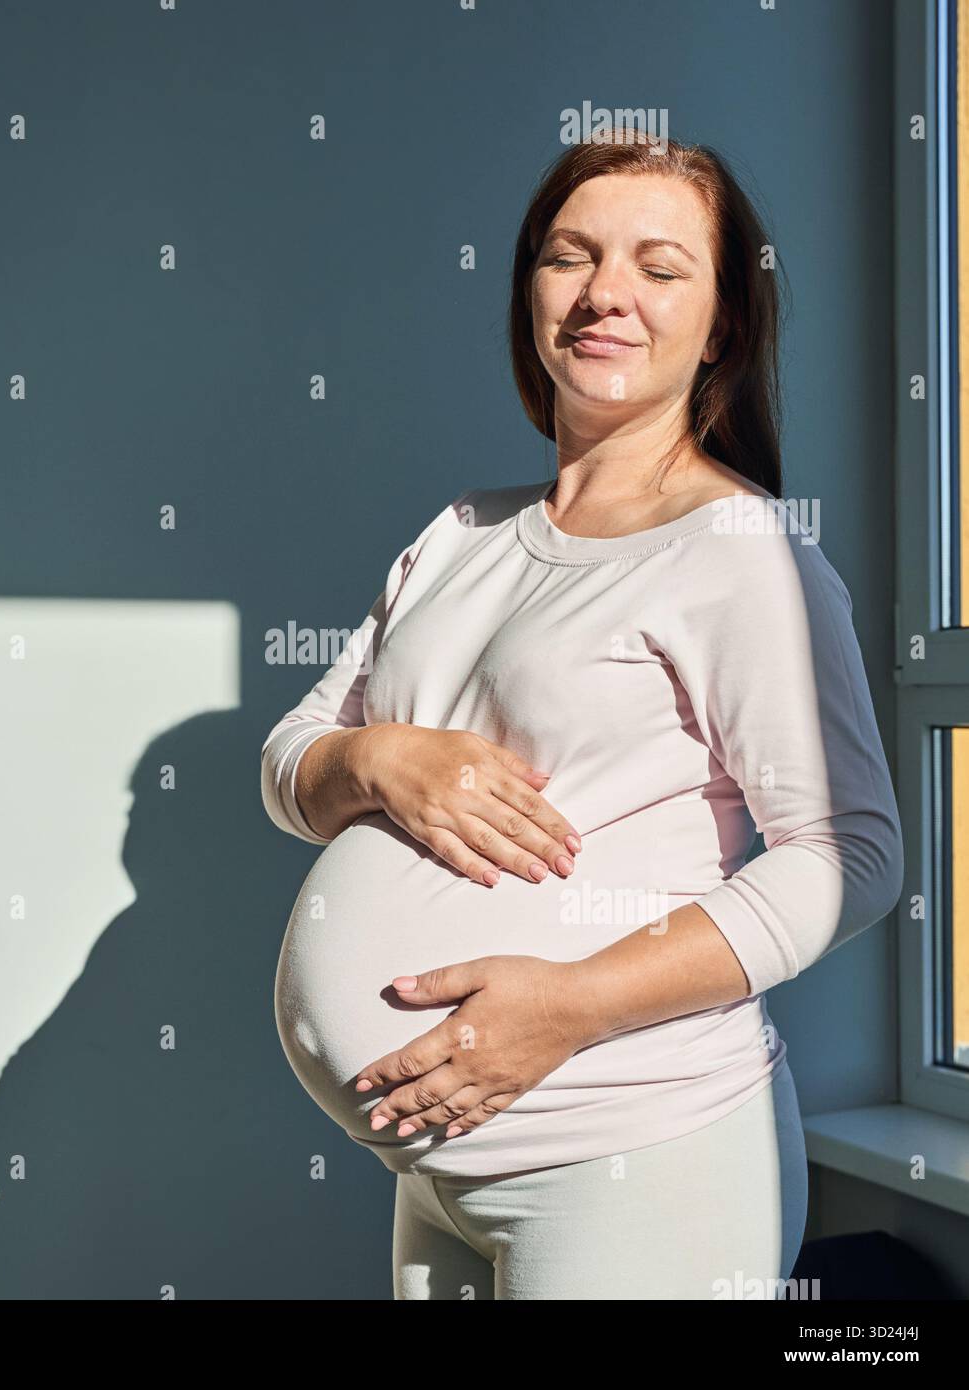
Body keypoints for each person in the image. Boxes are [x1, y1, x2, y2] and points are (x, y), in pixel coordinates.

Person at [259, 129, 904, 1300]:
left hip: (634, 1153)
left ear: (722, 325)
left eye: (660, 268)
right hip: (439, 1163)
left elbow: (850, 858)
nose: (606, 292)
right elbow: (287, 762)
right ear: (528, 294)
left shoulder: (740, 553)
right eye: (570, 257)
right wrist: (375, 755)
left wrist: (566, 1007)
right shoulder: (460, 533)